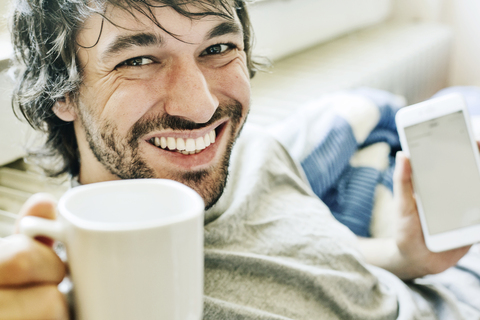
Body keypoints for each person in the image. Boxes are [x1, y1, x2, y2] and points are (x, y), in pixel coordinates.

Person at [2, 0, 480, 319]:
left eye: (218, 48)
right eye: (138, 60)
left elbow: (311, 254)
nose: (202, 106)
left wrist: (406, 256)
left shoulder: (252, 152)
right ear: (61, 92)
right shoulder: (105, 287)